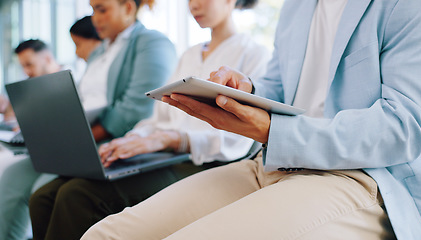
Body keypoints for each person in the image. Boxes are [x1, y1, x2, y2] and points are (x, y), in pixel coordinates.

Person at [83, 0, 421, 239]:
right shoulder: (298, 6)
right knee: (104, 236)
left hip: (362, 173)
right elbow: (280, 85)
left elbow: (406, 126)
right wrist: (247, 88)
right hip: (274, 162)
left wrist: (274, 129)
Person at [28, 0, 270, 239]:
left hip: (205, 163)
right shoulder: (189, 55)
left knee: (77, 195)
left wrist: (172, 139)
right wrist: (131, 139)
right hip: (165, 155)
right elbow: (159, 117)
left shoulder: (254, 54)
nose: (194, 5)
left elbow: (240, 139)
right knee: (44, 196)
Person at [0, 1, 177, 239]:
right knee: (13, 175)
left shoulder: (151, 43)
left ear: (128, 8)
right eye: (93, 9)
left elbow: (136, 108)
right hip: (77, 138)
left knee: (41, 191)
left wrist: (78, 137)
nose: (95, 18)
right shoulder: (100, 52)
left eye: (102, 9)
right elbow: (82, 100)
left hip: (109, 141)